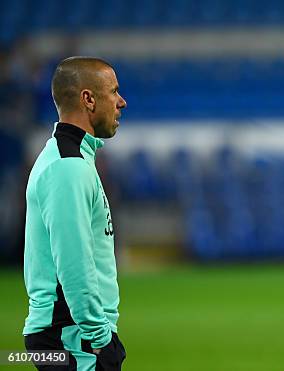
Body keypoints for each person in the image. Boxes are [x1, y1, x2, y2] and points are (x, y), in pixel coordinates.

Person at [23, 56, 127, 370]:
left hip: (70, 334)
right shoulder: (68, 167)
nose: (121, 102)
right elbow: (74, 263)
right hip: (73, 338)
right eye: (113, 92)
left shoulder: (68, 158)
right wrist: (100, 338)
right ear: (88, 99)